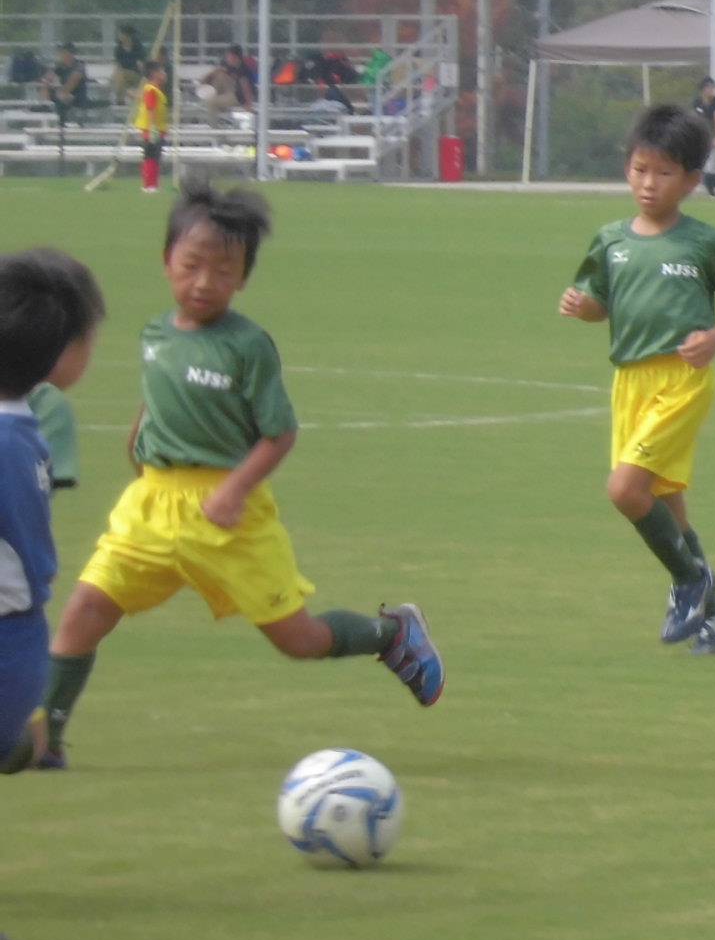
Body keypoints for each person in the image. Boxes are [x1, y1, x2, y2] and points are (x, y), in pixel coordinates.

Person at [18, 178, 444, 773]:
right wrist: (140, 446)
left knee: (298, 640)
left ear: (243, 277)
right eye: (192, 265)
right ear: (166, 261)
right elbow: (156, 400)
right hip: (152, 508)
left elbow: (280, 433)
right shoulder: (155, 334)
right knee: (85, 610)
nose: (204, 283)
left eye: (223, 271)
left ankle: (389, 635)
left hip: (229, 513)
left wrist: (234, 490)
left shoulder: (248, 347)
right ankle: (47, 745)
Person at [559, 106, 715, 655]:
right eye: (641, 169)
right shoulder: (611, 241)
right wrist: (583, 307)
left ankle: (692, 581)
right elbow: (601, 306)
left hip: (682, 380)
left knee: (625, 489)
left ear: (691, 180)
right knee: (666, 505)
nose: (649, 183)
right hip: (629, 384)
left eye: (664, 173)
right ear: (627, 168)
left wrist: (713, 339)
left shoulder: (704, 242)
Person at [0, 252, 105, 940]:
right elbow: (32, 565)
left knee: (20, 743)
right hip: (13, 643)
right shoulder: (19, 436)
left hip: (16, 645)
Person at [132, 56, 170, 194]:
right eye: (162, 71)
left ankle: (153, 184)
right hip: (152, 129)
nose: (164, 74)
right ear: (154, 73)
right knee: (150, 156)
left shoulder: (155, 89)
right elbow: (150, 108)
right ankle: (148, 185)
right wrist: (153, 127)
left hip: (157, 128)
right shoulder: (151, 90)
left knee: (155, 156)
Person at [690, 77, 715, 197]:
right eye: (708, 87)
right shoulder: (697, 102)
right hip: (701, 138)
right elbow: (694, 119)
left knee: (711, 166)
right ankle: (713, 188)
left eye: (712, 87)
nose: (711, 90)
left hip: (711, 138)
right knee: (701, 166)